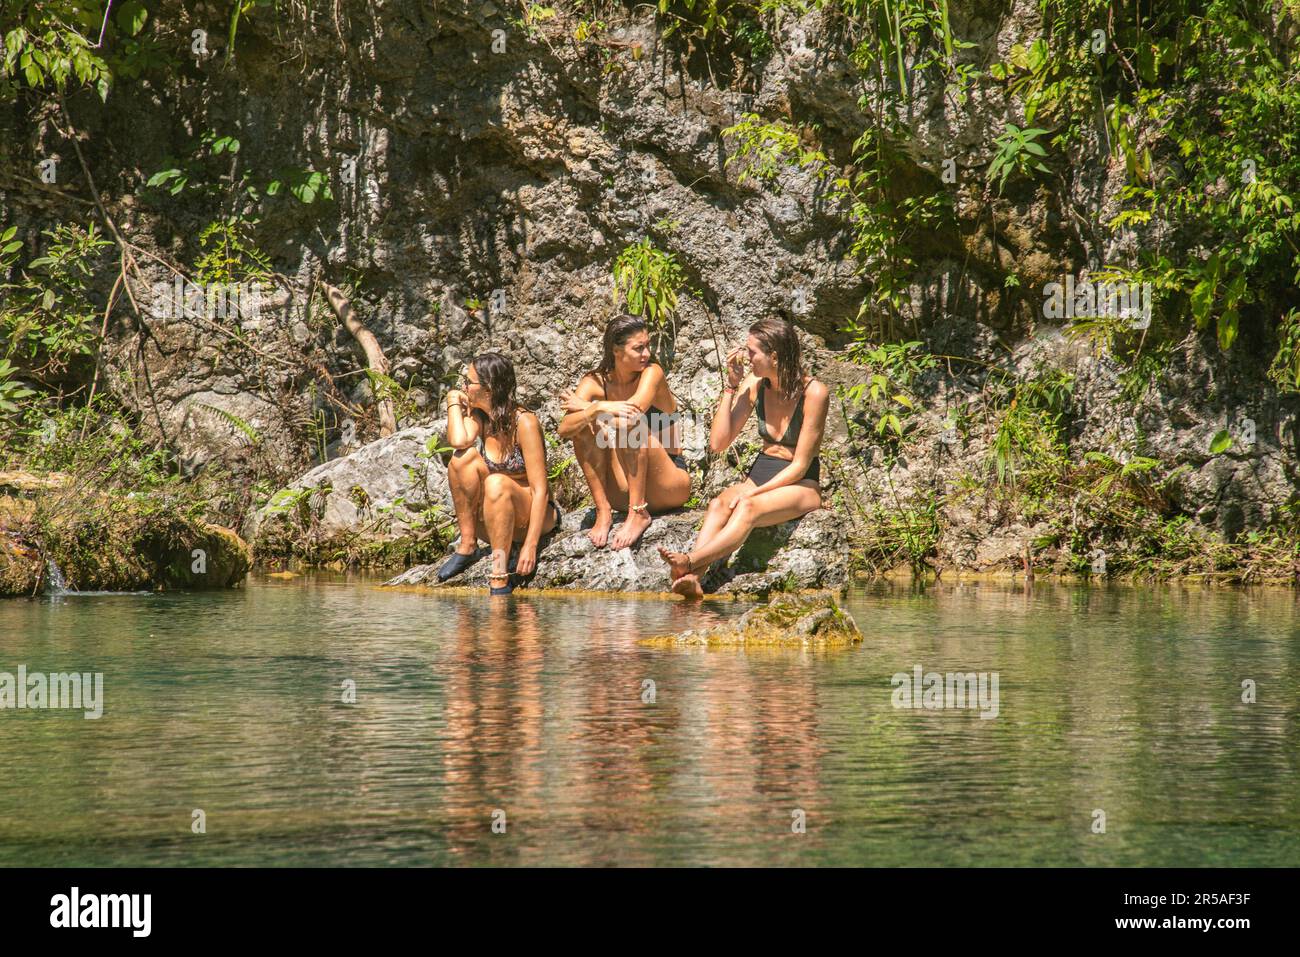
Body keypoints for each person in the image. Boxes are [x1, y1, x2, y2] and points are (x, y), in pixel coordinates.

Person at [658, 317, 827, 598]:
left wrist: (755, 494)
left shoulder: (815, 392)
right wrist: (730, 386)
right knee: (717, 505)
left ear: (774, 356)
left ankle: (689, 562)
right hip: (762, 469)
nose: (746, 358)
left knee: (746, 508)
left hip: (801, 482)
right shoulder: (755, 383)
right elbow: (718, 442)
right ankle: (693, 581)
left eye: (752, 352)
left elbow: (800, 465)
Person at [558, 315, 692, 550]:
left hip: (668, 484)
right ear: (616, 351)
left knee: (627, 424)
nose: (647, 353)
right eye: (638, 348)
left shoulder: (652, 372)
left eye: (647, 345)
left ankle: (638, 513)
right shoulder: (594, 382)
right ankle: (603, 511)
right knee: (583, 428)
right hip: (622, 488)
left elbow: (632, 413)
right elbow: (564, 429)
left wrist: (588, 407)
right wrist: (596, 408)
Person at [437, 353, 559, 595]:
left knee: (496, 482)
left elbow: (540, 489)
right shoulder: (480, 416)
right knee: (462, 460)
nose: (464, 387)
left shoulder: (524, 422)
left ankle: (500, 575)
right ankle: (468, 544)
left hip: (532, 516)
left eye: (469, 382)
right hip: (497, 519)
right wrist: (453, 401)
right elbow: (459, 440)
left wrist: (531, 546)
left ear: (489, 389)